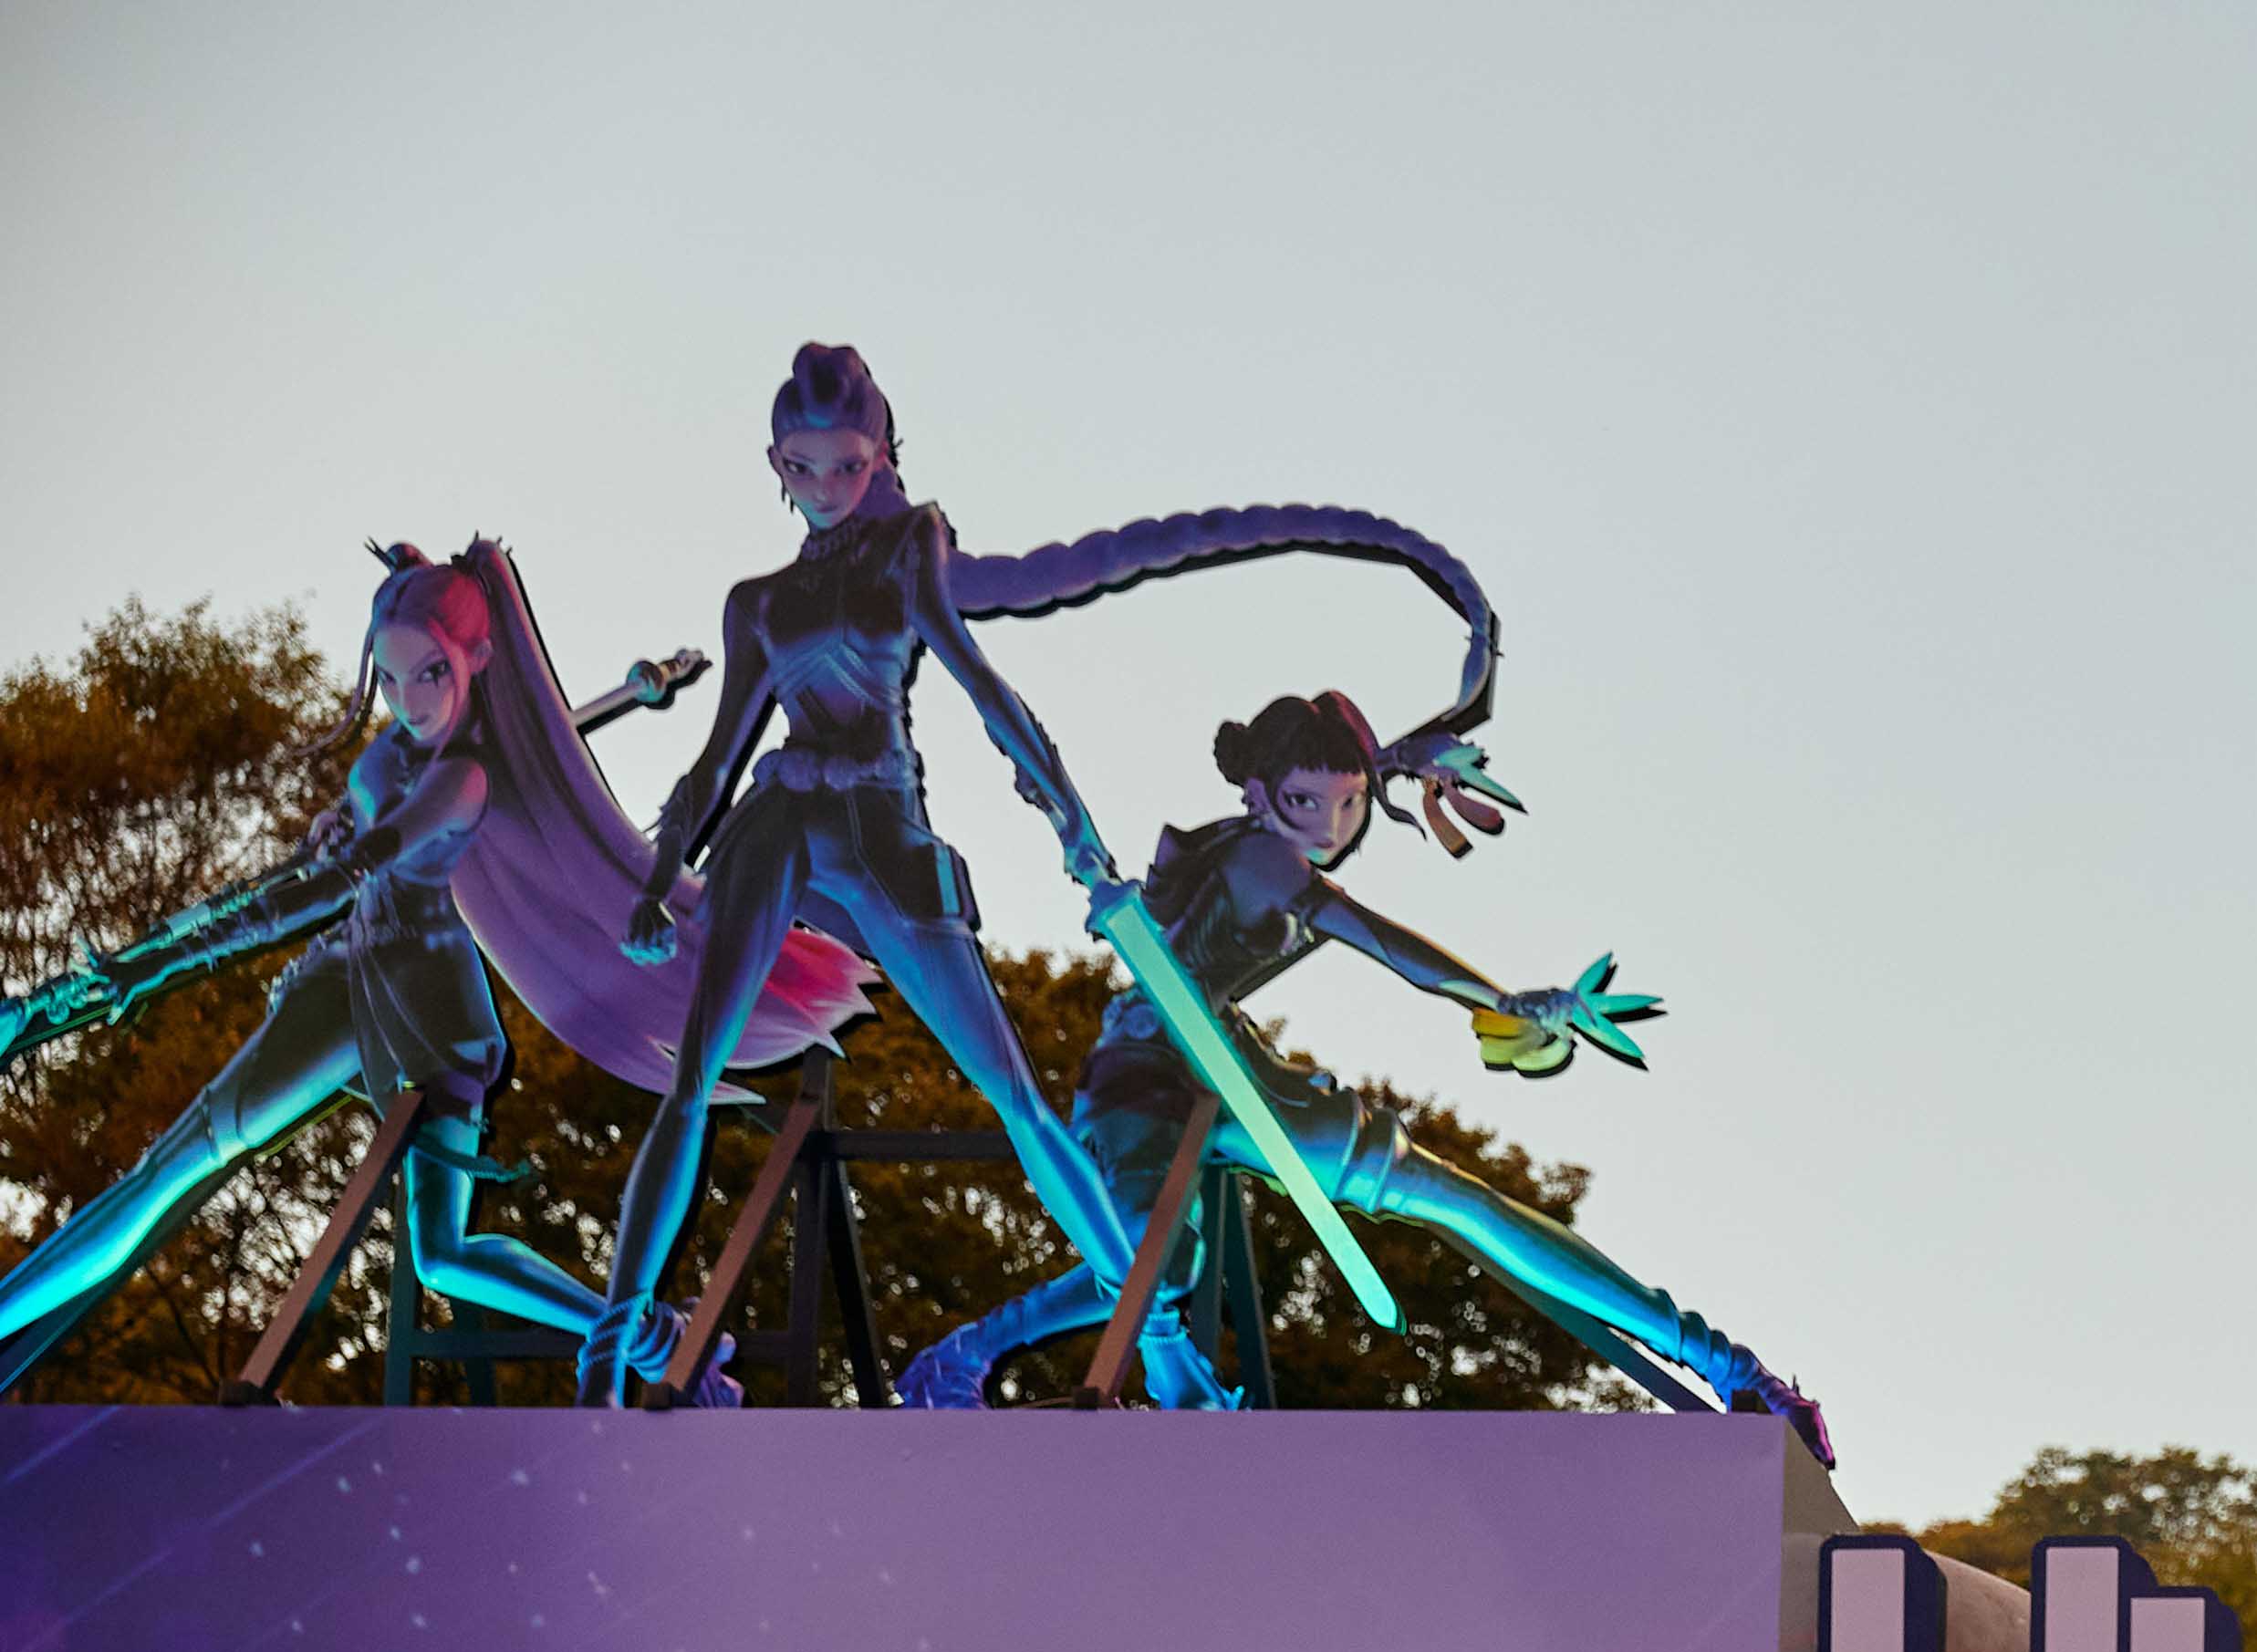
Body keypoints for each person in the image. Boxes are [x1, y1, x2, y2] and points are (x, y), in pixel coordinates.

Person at [0, 543, 858, 1392]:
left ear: (477, 659)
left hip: (406, 999)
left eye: (431, 676)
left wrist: (157, 965)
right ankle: (648, 1337)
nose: (409, 701)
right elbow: (386, 800)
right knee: (388, 1236)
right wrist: (345, 809)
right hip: (384, 986)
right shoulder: (414, 747)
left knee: (265, 1196)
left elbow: (331, 885)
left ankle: (640, 1337)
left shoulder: (465, 782)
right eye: (391, 677)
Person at [895, 687, 1820, 1444]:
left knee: (1453, 1200)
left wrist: (1405, 765)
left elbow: (1357, 796)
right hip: (1148, 1070)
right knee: (1155, 1266)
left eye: (1349, 805)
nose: (1333, 827)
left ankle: (1724, 1362)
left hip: (1231, 1069)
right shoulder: (1267, 862)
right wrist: (1498, 998)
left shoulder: (1265, 841)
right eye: (1308, 804)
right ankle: (966, 1359)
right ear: (1260, 794)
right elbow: (1381, 941)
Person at [590, 343, 1144, 1395]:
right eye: (804, 468)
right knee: (691, 1080)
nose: (827, 487)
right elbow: (717, 755)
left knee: (1012, 1089)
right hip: (781, 820)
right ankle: (607, 1355)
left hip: (880, 825)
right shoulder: (757, 601)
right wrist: (660, 882)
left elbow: (982, 684)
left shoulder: (907, 543)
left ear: (880, 457)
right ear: (775, 464)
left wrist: (1069, 817)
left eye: (848, 465)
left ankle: (1152, 1330)